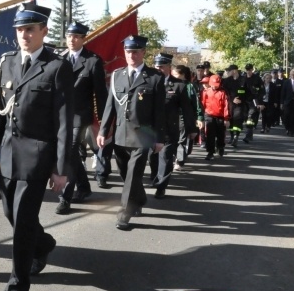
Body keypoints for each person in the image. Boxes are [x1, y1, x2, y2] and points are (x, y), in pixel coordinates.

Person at [0, 1, 73, 291]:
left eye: (30, 29)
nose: (24, 35)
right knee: (11, 214)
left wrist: (60, 167)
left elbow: (64, 122)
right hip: (7, 155)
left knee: (22, 222)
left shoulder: (58, 67)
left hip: (38, 156)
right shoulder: (6, 63)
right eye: (19, 30)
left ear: (44, 31)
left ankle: (18, 285)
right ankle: (44, 244)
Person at [97, 35, 165, 230]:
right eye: (128, 51)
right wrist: (103, 131)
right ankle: (140, 198)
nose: (132, 55)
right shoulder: (117, 75)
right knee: (125, 172)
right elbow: (110, 105)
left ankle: (124, 213)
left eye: (136, 51)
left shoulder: (154, 78)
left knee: (134, 174)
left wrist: (159, 138)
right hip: (120, 134)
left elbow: (159, 111)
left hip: (143, 135)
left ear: (143, 52)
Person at [55, 21, 106, 215]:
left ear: (83, 39)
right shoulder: (59, 58)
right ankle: (84, 187)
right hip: (60, 116)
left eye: (76, 36)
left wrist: (103, 123)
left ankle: (65, 198)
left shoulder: (93, 61)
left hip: (80, 116)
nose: (71, 40)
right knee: (73, 154)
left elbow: (100, 95)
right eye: (69, 36)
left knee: (69, 151)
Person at [150, 54, 196, 198]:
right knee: (152, 158)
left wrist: (192, 128)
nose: (159, 69)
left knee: (165, 157)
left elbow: (187, 109)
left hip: (169, 128)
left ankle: (161, 186)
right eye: (157, 66)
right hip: (150, 129)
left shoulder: (179, 85)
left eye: (162, 66)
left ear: (169, 67)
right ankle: (155, 177)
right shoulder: (148, 82)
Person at [170, 65, 202, 171]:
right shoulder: (170, 85)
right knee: (171, 139)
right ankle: (174, 156)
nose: (173, 76)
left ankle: (179, 160)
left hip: (184, 116)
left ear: (183, 75)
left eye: (176, 74)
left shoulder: (190, 87)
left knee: (181, 140)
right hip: (171, 116)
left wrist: (199, 118)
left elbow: (196, 104)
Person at [200, 74, 230, 160]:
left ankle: (220, 147)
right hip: (209, 115)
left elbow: (226, 106)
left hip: (220, 117)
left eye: (216, 85)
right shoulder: (206, 92)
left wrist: (226, 118)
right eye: (213, 85)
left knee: (220, 134)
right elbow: (202, 105)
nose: (214, 87)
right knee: (210, 135)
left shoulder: (223, 92)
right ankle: (210, 152)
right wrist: (201, 117)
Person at [240, 63, 264, 142]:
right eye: (247, 70)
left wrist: (259, 102)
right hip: (244, 102)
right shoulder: (243, 78)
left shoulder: (257, 79)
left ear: (252, 70)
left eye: (249, 70)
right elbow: (239, 90)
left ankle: (248, 136)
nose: (248, 71)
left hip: (253, 101)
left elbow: (262, 91)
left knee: (250, 118)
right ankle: (249, 134)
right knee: (246, 118)